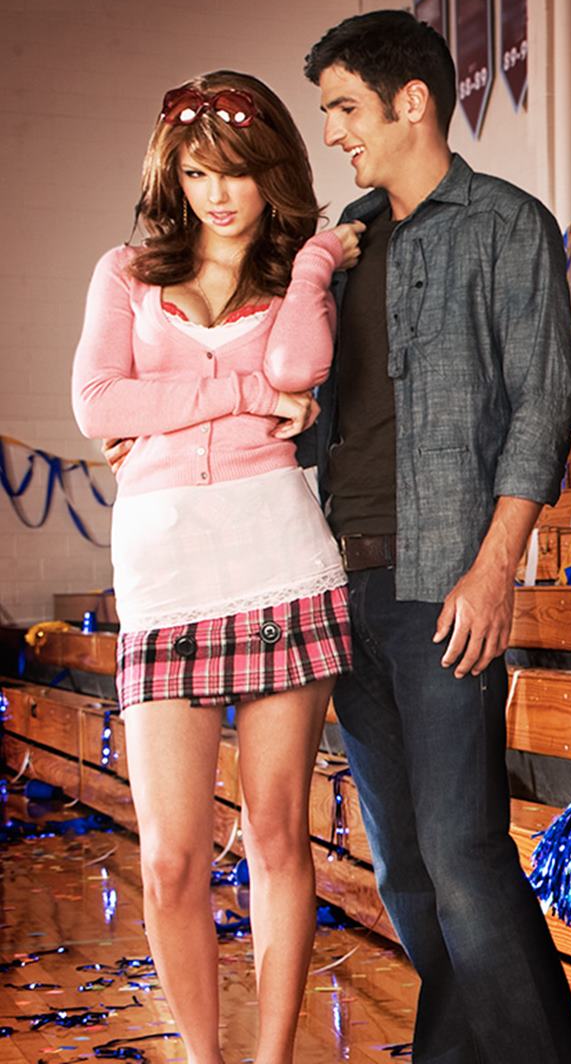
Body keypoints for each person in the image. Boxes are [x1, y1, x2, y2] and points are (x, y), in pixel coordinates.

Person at [301, 11, 571, 1064]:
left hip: (444, 585)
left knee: (463, 857)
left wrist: (494, 568)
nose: (334, 130)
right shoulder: (344, 243)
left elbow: (543, 404)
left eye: (345, 106)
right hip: (343, 587)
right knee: (405, 873)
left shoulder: (508, 224)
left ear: (410, 100)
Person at [72, 71, 360, 1064]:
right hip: (163, 575)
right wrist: (235, 394)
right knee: (169, 858)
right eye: (197, 173)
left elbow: (297, 372)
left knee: (278, 835)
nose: (218, 194)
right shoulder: (124, 273)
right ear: (174, 178)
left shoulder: (294, 281)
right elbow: (97, 404)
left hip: (277, 558)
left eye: (235, 172)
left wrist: (315, 260)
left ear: (270, 171)